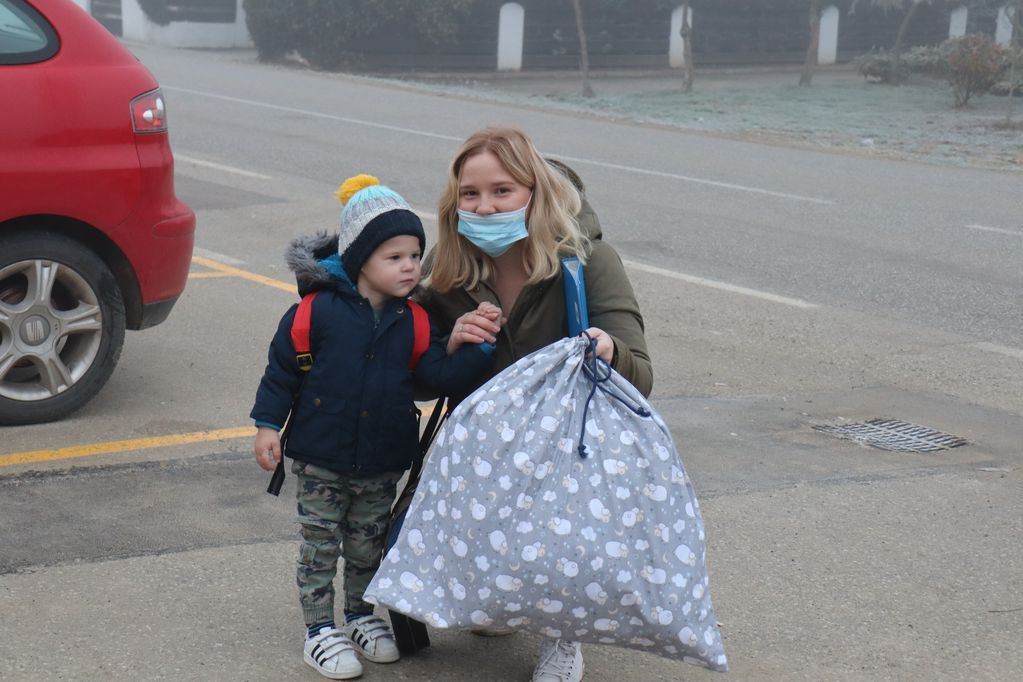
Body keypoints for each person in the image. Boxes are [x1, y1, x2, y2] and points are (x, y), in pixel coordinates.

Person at [416, 127, 653, 682]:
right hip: (487, 446)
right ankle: (505, 598)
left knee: (564, 534)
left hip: (569, 444)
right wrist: (449, 344)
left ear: (535, 191)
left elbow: (641, 377)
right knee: (492, 534)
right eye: (469, 195)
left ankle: (561, 634)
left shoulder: (589, 261)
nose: (485, 206)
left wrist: (608, 347)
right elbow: (415, 377)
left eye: (502, 190)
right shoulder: (445, 271)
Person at [250, 175, 499, 680]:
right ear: (360, 259)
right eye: (395, 257)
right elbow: (280, 373)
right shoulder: (314, 313)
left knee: (367, 545)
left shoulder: (417, 321)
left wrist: (471, 348)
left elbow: (431, 381)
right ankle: (319, 629)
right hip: (322, 456)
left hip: (383, 461)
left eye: (414, 255)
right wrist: (267, 425)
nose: (410, 267)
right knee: (321, 545)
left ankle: (361, 616)